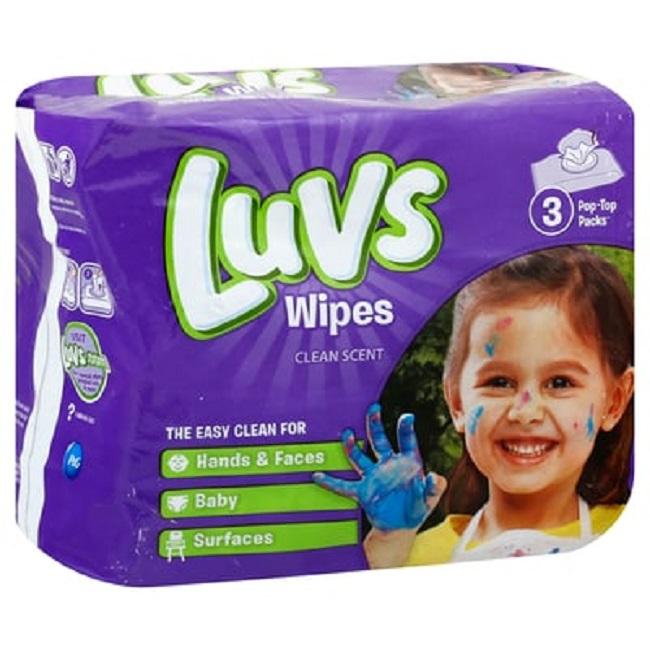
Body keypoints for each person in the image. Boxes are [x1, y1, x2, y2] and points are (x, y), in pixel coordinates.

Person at [313, 247, 634, 567]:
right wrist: (390, 539)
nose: (525, 412)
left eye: (560, 383)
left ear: (615, 401)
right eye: (500, 382)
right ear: (456, 402)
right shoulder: (416, 554)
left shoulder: (631, 532)